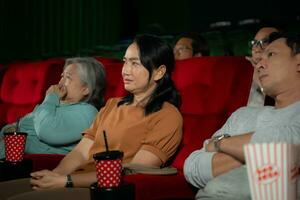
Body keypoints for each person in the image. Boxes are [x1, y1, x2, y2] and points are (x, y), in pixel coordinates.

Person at [0, 34, 183, 200]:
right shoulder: (113, 105)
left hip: (104, 190)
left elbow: (132, 171)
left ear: (159, 72)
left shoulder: (167, 116)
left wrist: (66, 181)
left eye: (135, 64)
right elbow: (80, 152)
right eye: (125, 62)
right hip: (76, 178)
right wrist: (54, 175)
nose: (125, 70)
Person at [184, 32, 300, 199]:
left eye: (271, 54)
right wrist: (254, 157)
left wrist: (220, 143)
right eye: (260, 58)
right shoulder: (243, 115)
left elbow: (284, 144)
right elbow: (192, 166)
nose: (259, 63)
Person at [0, 57, 106, 158]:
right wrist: (9, 129)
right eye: (62, 76)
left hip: (31, 164)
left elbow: (45, 132)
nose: (60, 82)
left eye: (68, 77)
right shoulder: (57, 104)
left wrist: (50, 97)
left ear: (86, 89)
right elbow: (20, 125)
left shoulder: (88, 112)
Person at [245, 27, 279, 107]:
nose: (256, 48)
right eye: (254, 43)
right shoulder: (243, 69)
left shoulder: (282, 73)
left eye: (264, 42)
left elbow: (278, 107)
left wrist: (259, 80)